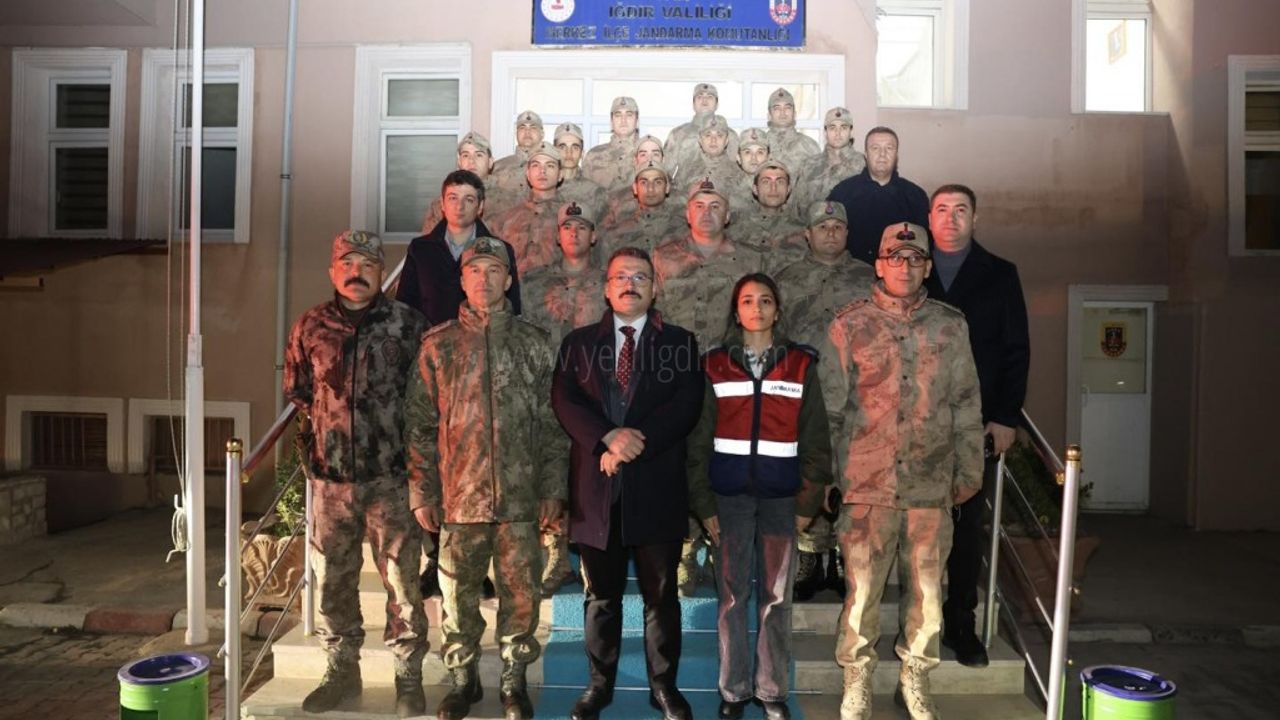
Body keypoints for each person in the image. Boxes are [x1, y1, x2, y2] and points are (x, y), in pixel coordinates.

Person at [818, 222, 983, 720]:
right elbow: (830, 409)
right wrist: (827, 477)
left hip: (930, 482)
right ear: (879, 265)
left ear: (928, 267)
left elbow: (965, 402)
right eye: (895, 257)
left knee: (928, 593)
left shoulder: (951, 326)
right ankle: (857, 677)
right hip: (866, 483)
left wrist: (969, 470)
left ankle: (915, 676)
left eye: (915, 259)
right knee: (863, 591)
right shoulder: (849, 325)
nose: (905, 267)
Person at [404, 236, 568, 720]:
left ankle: (514, 681)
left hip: (520, 500)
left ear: (508, 279)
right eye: (475, 270)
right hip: (459, 499)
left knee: (521, 596)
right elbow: (419, 426)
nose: (484, 279)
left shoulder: (535, 343)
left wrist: (552, 489)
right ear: (462, 279)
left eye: (494, 270)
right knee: (457, 597)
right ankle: (463, 679)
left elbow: (554, 425)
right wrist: (422, 492)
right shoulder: (438, 345)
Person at [552, 246, 704, 720]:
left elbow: (686, 406)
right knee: (601, 596)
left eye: (640, 277)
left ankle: (664, 687)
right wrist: (607, 437)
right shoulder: (578, 344)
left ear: (654, 289)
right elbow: (564, 401)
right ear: (606, 288)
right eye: (621, 276)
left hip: (656, 485)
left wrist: (635, 443)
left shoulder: (679, 343)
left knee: (661, 596)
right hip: (597, 489)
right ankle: (599, 687)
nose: (630, 284)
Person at [283, 230, 429, 717]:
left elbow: (426, 399)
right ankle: (341, 671)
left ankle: (408, 676)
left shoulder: (409, 325)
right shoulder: (310, 325)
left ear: (382, 271)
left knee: (403, 584)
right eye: (347, 263)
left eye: (367, 264)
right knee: (332, 582)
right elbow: (299, 390)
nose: (356, 272)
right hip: (331, 482)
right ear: (332, 271)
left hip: (392, 479)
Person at [687, 273, 832, 720]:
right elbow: (697, 442)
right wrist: (704, 505)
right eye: (747, 301)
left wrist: (807, 504)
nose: (757, 308)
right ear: (736, 311)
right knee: (732, 597)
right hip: (728, 499)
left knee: (775, 598)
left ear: (777, 310)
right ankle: (733, 691)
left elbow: (816, 441)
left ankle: (771, 690)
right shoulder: (713, 365)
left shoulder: (801, 365)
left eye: (765, 300)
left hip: (781, 500)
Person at [925, 184, 1030, 669]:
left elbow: (1016, 349)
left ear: (975, 219)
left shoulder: (1000, 274)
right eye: (942, 210)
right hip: (916, 424)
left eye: (960, 210)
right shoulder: (909, 267)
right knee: (917, 527)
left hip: (974, 424)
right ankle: (918, 622)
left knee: (966, 529)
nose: (950, 218)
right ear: (929, 218)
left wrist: (1006, 416)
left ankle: (960, 623)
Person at [653, 179, 765, 596]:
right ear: (687, 213)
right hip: (676, 375)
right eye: (699, 205)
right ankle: (687, 545)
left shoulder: (749, 260)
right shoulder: (662, 258)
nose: (707, 212)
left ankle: (721, 543)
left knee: (723, 456)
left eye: (716, 205)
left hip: (730, 376)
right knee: (681, 457)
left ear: (728, 214)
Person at [774, 201, 875, 601]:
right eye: (822, 227)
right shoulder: (787, 279)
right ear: (807, 234)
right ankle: (809, 555)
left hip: (859, 392)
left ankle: (840, 556)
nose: (830, 233)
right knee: (810, 468)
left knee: (851, 471)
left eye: (837, 227)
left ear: (847, 233)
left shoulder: (869, 277)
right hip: (805, 392)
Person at [521, 201, 608, 595]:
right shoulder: (534, 281)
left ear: (594, 235)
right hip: (544, 385)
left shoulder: (608, 281)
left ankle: (590, 555)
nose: (574, 233)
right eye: (567, 227)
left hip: (593, 388)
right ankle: (556, 553)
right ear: (558, 235)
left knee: (588, 470)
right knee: (550, 466)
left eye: (582, 227)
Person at [398, 169, 521, 328]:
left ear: (480, 206)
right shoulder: (420, 249)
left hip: (484, 340)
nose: (459, 206)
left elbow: (512, 309)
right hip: (431, 340)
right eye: (453, 198)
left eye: (468, 199)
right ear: (442, 204)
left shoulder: (500, 251)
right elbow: (404, 307)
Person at [826, 126, 929, 265]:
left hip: (898, 272)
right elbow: (827, 238)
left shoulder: (915, 196)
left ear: (896, 155)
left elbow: (924, 247)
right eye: (875, 148)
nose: (882, 154)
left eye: (889, 148)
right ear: (866, 154)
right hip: (850, 273)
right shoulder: (842, 193)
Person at [489, 141, 565, 275]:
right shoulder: (506, 218)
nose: (542, 171)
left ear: (560, 175)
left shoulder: (570, 218)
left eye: (550, 165)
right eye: (536, 165)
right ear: (528, 174)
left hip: (556, 287)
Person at [420, 132, 515, 233]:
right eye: (466, 155)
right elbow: (428, 241)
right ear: (459, 162)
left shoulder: (509, 203)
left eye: (479, 155)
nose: (471, 161)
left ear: (490, 162)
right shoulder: (441, 204)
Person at [732, 159, 808, 273]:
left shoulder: (804, 232)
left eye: (780, 182)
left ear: (788, 189)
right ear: (755, 189)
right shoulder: (736, 229)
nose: (773, 188)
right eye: (766, 182)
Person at [597, 160, 683, 256]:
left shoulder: (683, 228)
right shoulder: (615, 234)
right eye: (644, 182)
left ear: (667, 188)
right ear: (635, 188)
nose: (650, 188)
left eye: (658, 182)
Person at [794, 107, 866, 212]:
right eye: (832, 128)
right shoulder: (809, 165)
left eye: (843, 127)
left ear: (851, 132)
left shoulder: (864, 164)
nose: (838, 133)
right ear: (825, 132)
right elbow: (798, 206)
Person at [664, 82, 729, 178]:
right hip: (684, 186)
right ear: (693, 104)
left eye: (710, 97)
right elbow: (665, 171)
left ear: (717, 104)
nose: (704, 101)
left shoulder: (730, 135)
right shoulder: (678, 134)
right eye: (699, 97)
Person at [582, 96, 642, 191]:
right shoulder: (593, 156)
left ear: (637, 121)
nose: (623, 120)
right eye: (618, 115)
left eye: (629, 115)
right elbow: (584, 193)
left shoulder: (648, 153)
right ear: (611, 122)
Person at [676, 115, 742, 199]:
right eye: (708, 135)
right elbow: (674, 199)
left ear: (726, 141)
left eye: (719, 135)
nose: (713, 140)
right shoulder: (686, 169)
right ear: (700, 140)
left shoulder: (737, 172)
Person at [553, 121, 608, 219]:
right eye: (562, 147)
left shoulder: (595, 192)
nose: (569, 153)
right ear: (554, 152)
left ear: (582, 154)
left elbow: (603, 226)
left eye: (575, 147)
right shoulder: (543, 188)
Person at [763, 87, 820, 175]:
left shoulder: (809, 146)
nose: (782, 113)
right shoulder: (760, 144)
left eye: (787, 108)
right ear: (769, 116)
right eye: (777, 108)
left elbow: (819, 179)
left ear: (794, 114)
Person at [491, 110, 545, 195]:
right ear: (516, 134)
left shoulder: (552, 167)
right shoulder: (497, 168)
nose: (527, 132)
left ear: (542, 134)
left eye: (533, 128)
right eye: (522, 128)